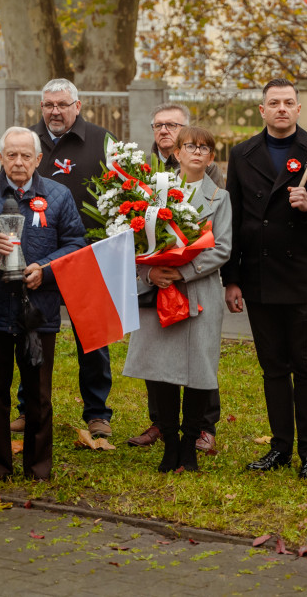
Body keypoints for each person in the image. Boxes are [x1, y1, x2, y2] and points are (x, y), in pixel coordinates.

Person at [221, 78, 307, 481]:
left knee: (305, 365)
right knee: (272, 367)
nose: (281, 108)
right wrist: (231, 279)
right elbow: (233, 218)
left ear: (299, 109)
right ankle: (280, 446)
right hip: (259, 276)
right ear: (262, 110)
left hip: (302, 275)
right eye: (273, 103)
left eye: (288, 102)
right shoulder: (243, 153)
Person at [0, 127, 85, 481]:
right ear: (0, 158)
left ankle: (38, 468)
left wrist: (47, 270)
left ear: (39, 159)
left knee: (38, 393)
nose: (18, 162)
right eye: (11, 155)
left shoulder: (58, 195)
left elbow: (75, 244)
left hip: (39, 311)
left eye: (26, 156)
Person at [124, 126, 231, 472]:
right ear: (178, 153)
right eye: (191, 146)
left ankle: (189, 444)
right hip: (159, 292)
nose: (197, 152)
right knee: (162, 370)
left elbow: (222, 248)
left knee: (199, 370)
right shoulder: (156, 191)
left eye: (205, 148)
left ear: (212, 157)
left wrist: (183, 273)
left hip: (198, 293)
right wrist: (150, 274)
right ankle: (169, 443)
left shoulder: (220, 198)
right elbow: (134, 242)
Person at [30, 78, 115, 439]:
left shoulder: (101, 141)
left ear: (77, 106)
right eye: (49, 104)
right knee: (33, 335)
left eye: (62, 104)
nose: (55, 111)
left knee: (92, 338)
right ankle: (29, 407)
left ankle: (98, 413)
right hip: (39, 256)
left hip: (87, 253)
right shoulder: (28, 139)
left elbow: (122, 192)